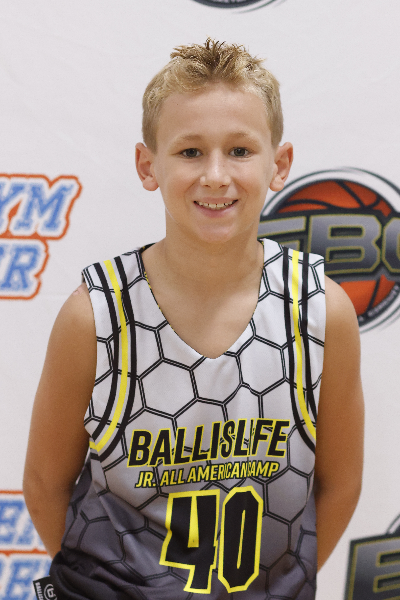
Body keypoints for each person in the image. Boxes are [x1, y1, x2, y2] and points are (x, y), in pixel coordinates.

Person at [23, 39, 364, 599]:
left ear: (279, 165)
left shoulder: (320, 310)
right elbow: (43, 483)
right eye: (189, 152)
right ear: (148, 165)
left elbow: (341, 483)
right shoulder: (96, 314)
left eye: (240, 150)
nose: (215, 175)